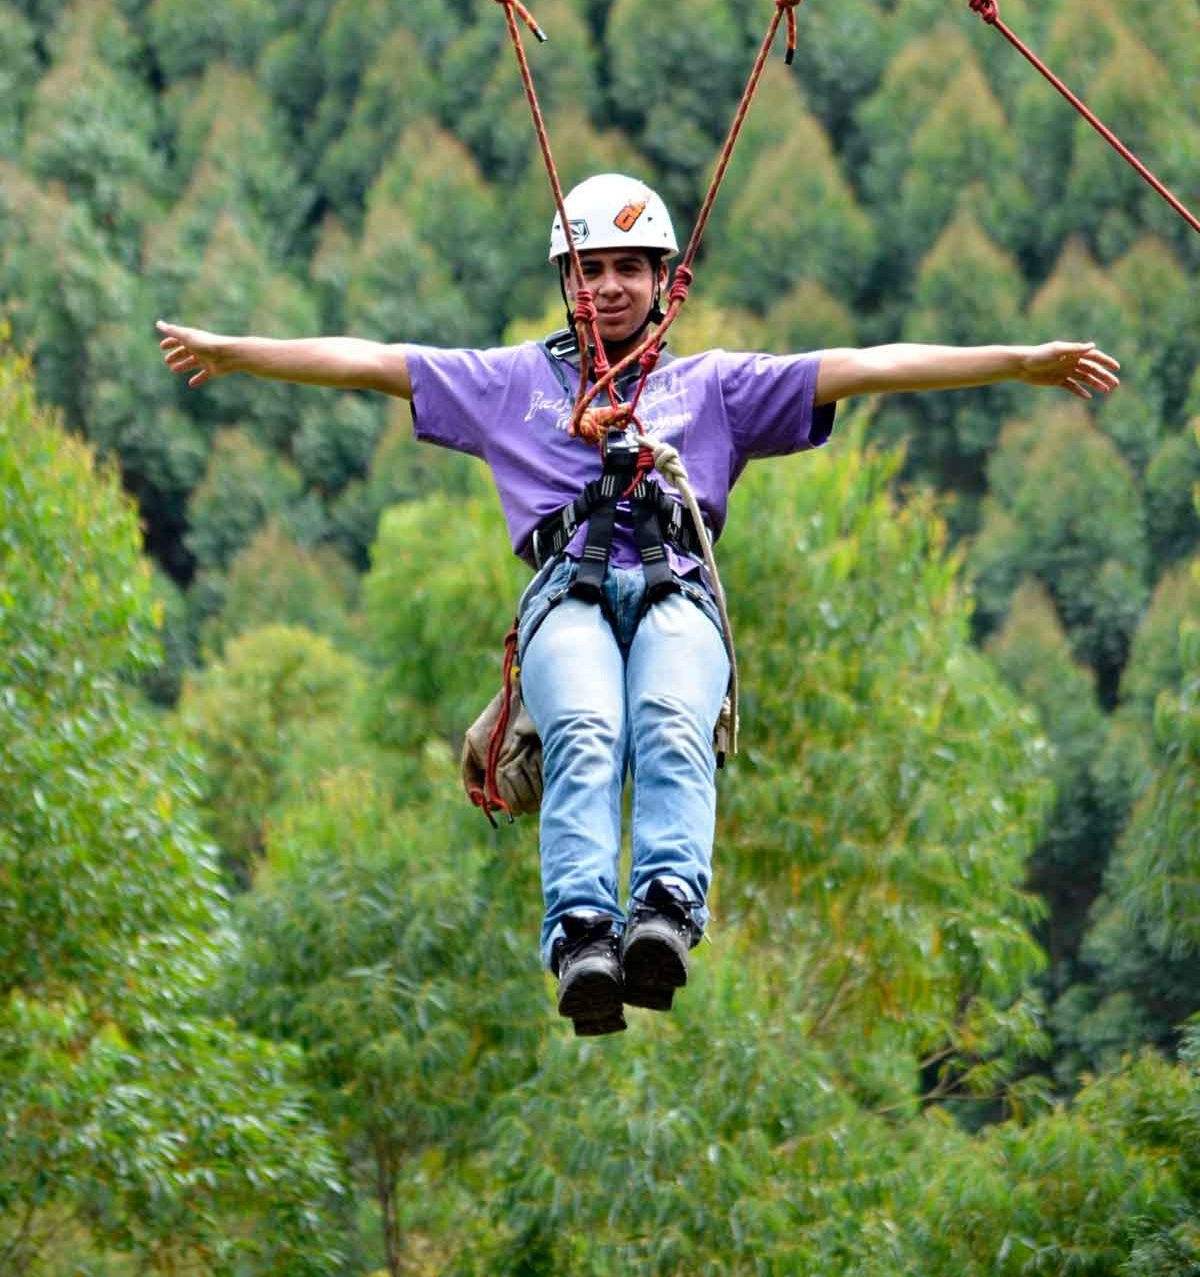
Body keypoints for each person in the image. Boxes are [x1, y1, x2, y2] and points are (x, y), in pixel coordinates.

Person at [157, 171, 1120, 1038]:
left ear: (663, 280)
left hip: (676, 596)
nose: (606, 286)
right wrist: (237, 353)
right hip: (566, 596)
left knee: (667, 719)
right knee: (581, 724)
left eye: (627, 268)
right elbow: (372, 361)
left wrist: (1017, 360)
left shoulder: (717, 389)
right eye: (588, 268)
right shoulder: (511, 386)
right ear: (564, 282)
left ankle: (663, 913)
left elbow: (867, 366)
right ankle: (583, 933)